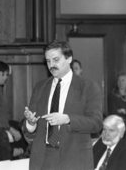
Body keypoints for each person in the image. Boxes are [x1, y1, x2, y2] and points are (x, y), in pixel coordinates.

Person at [23, 40, 102, 170]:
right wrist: (31, 123)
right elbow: (30, 130)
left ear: (69, 58)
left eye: (55, 60)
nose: (51, 65)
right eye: (48, 61)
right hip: (43, 159)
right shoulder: (40, 87)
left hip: (74, 159)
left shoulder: (88, 87)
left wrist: (68, 119)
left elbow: (96, 124)